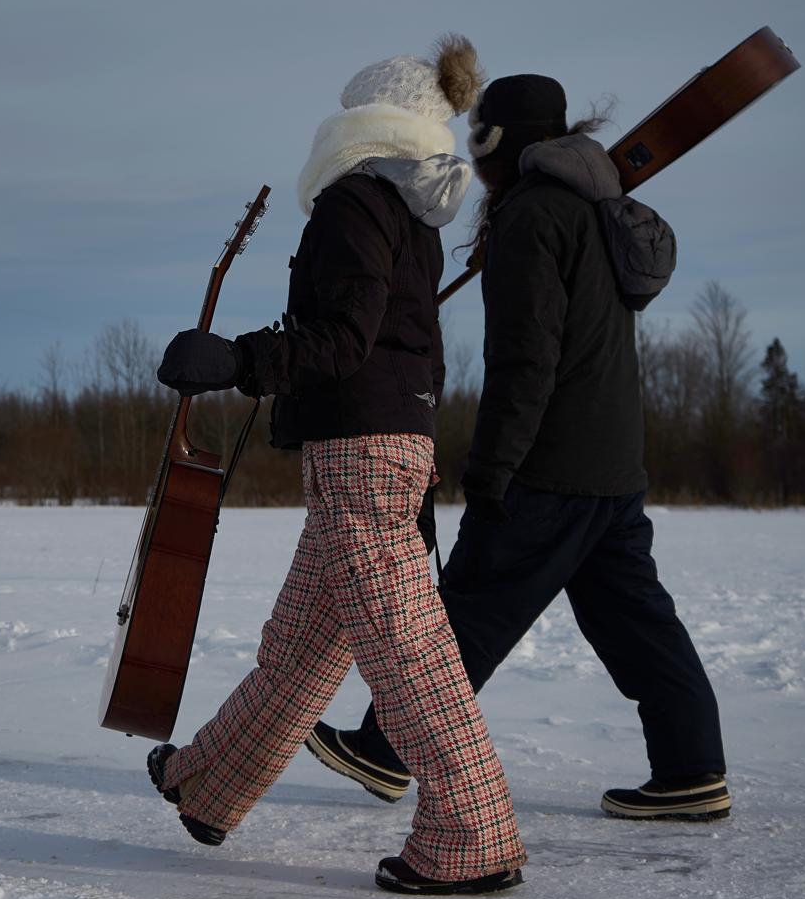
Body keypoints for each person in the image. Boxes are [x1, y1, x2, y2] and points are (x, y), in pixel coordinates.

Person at [147, 36, 527, 895]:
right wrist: (416, 452)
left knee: (407, 652)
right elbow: (413, 352)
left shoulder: (357, 201)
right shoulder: (408, 215)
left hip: (360, 451)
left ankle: (473, 830)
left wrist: (233, 361)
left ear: (365, 124)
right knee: (302, 651)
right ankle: (209, 784)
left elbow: (345, 342)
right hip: (384, 447)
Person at [305, 72, 731, 822]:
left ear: (497, 143)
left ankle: (384, 749)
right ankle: (692, 768)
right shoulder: (597, 208)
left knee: (470, 608)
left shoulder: (534, 219)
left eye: (479, 137)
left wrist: (493, 467)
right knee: (637, 623)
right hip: (614, 466)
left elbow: (525, 359)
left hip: (550, 464)